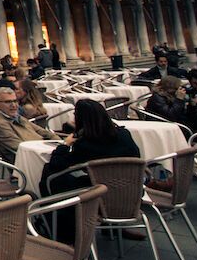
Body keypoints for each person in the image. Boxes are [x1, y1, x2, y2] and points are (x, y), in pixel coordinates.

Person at [40, 99, 140, 240]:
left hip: (98, 196)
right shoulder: (124, 134)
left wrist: (65, 144)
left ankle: (61, 231)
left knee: (50, 176)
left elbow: (57, 164)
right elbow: (136, 157)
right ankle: (112, 227)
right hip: (130, 194)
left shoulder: (85, 144)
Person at [0, 86, 59, 162]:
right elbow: (21, 147)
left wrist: (60, 143)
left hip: (42, 152)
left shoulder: (18, 117)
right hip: (31, 160)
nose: (14, 105)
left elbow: (43, 132)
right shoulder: (0, 125)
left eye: (15, 101)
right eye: (8, 102)